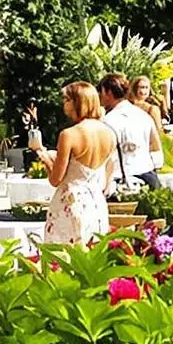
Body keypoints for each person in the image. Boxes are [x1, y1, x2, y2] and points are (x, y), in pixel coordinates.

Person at [44, 81, 115, 246]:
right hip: (96, 202)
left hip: (71, 201)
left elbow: (56, 180)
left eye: (66, 99)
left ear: (77, 102)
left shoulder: (69, 135)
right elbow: (107, 176)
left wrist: (45, 159)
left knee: (62, 260)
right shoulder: (110, 133)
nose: (64, 104)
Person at [99, 73, 160, 191]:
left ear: (109, 93)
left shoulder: (107, 121)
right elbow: (156, 148)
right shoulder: (143, 116)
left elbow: (104, 156)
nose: (100, 96)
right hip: (149, 178)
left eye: (101, 91)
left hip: (120, 183)